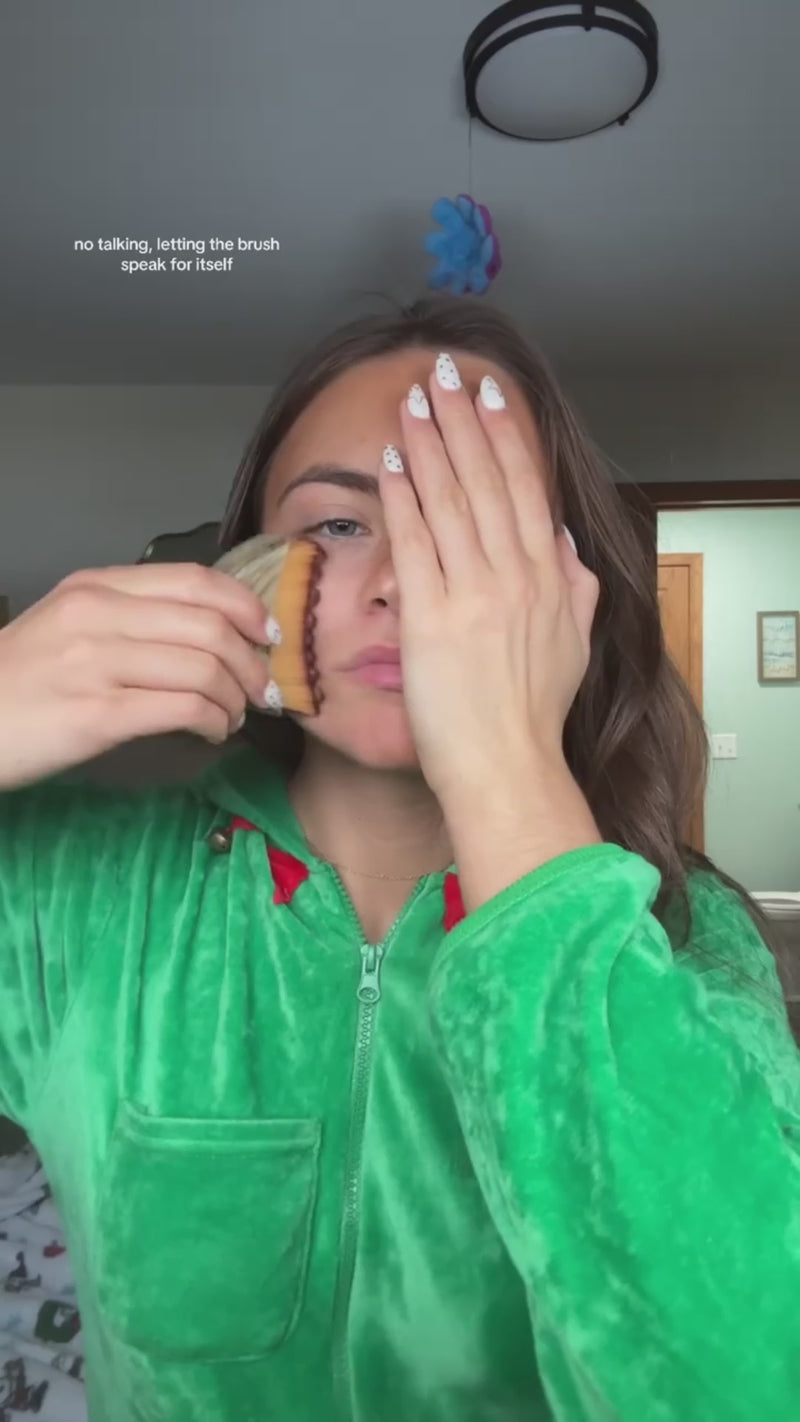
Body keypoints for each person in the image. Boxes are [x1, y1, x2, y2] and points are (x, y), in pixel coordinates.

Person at [0, 293, 798, 1422]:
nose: (400, 583)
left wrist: (508, 766)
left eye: (470, 528)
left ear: (568, 598)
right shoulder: (76, 893)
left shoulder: (683, 936)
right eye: (338, 525)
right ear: (246, 570)